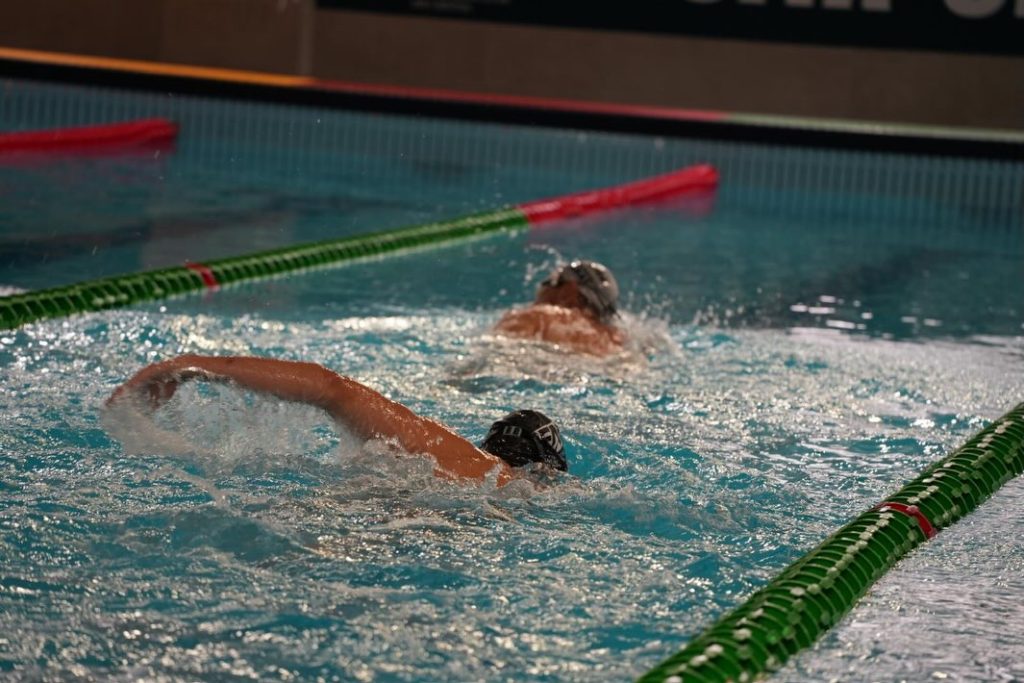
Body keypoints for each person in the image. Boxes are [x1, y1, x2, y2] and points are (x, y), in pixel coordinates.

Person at [105, 354, 566, 486]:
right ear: (547, 468)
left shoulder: (458, 458)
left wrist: (188, 365)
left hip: (352, 517)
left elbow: (331, 388)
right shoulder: (508, 485)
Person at [494, 259, 625, 356]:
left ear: (570, 289)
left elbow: (493, 351)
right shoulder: (615, 339)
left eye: (549, 282)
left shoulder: (538, 318)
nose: (541, 289)